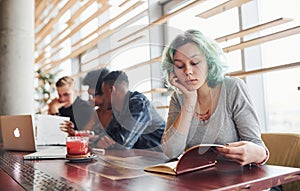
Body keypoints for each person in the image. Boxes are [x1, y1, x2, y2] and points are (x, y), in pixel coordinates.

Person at [161, 29, 269, 166]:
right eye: (179, 66)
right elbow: (171, 152)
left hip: (240, 180)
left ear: (209, 62)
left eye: (194, 63)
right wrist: (190, 100)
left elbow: (257, 147)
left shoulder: (232, 88)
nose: (187, 71)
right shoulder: (179, 97)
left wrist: (258, 154)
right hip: (201, 180)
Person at [93, 71, 166, 151]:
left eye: (104, 93)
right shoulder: (118, 109)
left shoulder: (139, 104)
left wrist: (104, 143)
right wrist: (99, 140)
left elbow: (124, 144)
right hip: (139, 156)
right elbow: (108, 135)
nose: (103, 98)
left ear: (112, 90)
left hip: (159, 157)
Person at [60, 68, 111, 136]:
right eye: (89, 95)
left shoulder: (119, 114)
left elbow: (107, 142)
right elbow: (84, 135)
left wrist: (76, 134)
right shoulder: (98, 113)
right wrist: (73, 132)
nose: (89, 99)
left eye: (92, 95)